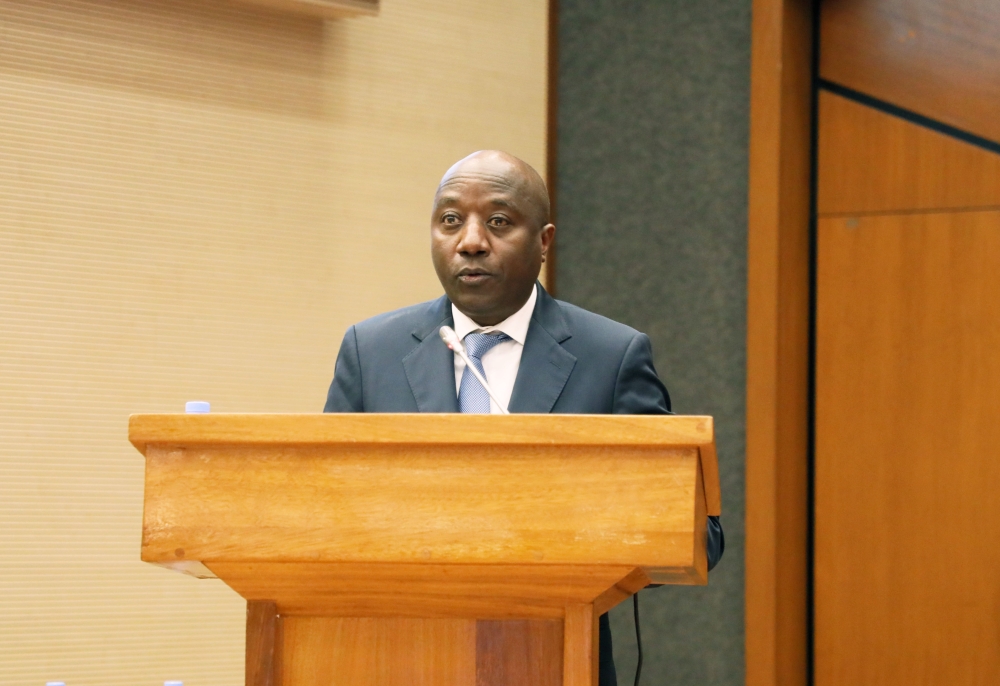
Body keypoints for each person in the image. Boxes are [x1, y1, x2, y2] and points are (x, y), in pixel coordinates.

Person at [324, 150, 724, 685]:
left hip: (554, 656)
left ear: (544, 241)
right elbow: (323, 506)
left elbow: (698, 533)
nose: (469, 241)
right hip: (398, 655)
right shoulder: (370, 350)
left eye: (498, 222)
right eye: (450, 220)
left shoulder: (611, 355)